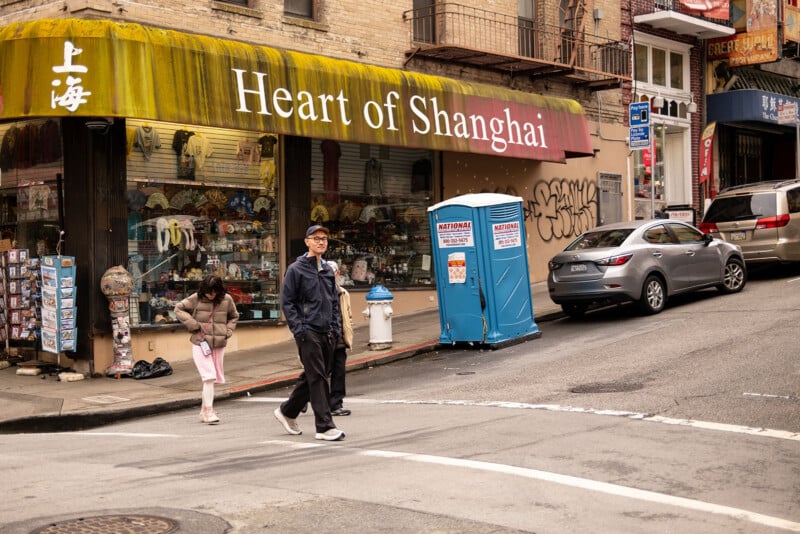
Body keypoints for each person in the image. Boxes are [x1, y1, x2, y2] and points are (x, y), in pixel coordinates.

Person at [274, 224, 345, 441]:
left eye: (324, 238)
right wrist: (300, 329)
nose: (321, 241)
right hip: (308, 331)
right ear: (307, 242)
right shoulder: (296, 269)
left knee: (315, 374)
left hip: (328, 331)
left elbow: (334, 300)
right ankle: (324, 426)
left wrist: (335, 327)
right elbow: (288, 302)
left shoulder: (327, 270)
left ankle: (287, 411)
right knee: (318, 378)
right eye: (316, 238)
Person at [174, 274, 239, 425]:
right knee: (208, 376)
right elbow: (178, 308)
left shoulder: (227, 299)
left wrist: (228, 331)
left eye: (214, 291)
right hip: (200, 342)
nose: (211, 295)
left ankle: (204, 411)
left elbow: (234, 316)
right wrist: (193, 324)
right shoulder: (196, 298)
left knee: (211, 379)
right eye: (209, 291)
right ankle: (209, 411)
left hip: (218, 344)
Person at [327, 261, 353, 416]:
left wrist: (348, 333)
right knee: (319, 372)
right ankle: (301, 399)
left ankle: (336, 404)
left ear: (337, 274)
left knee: (339, 372)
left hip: (340, 339)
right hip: (325, 338)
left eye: (333, 272)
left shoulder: (343, 293)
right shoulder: (317, 291)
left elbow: (347, 315)